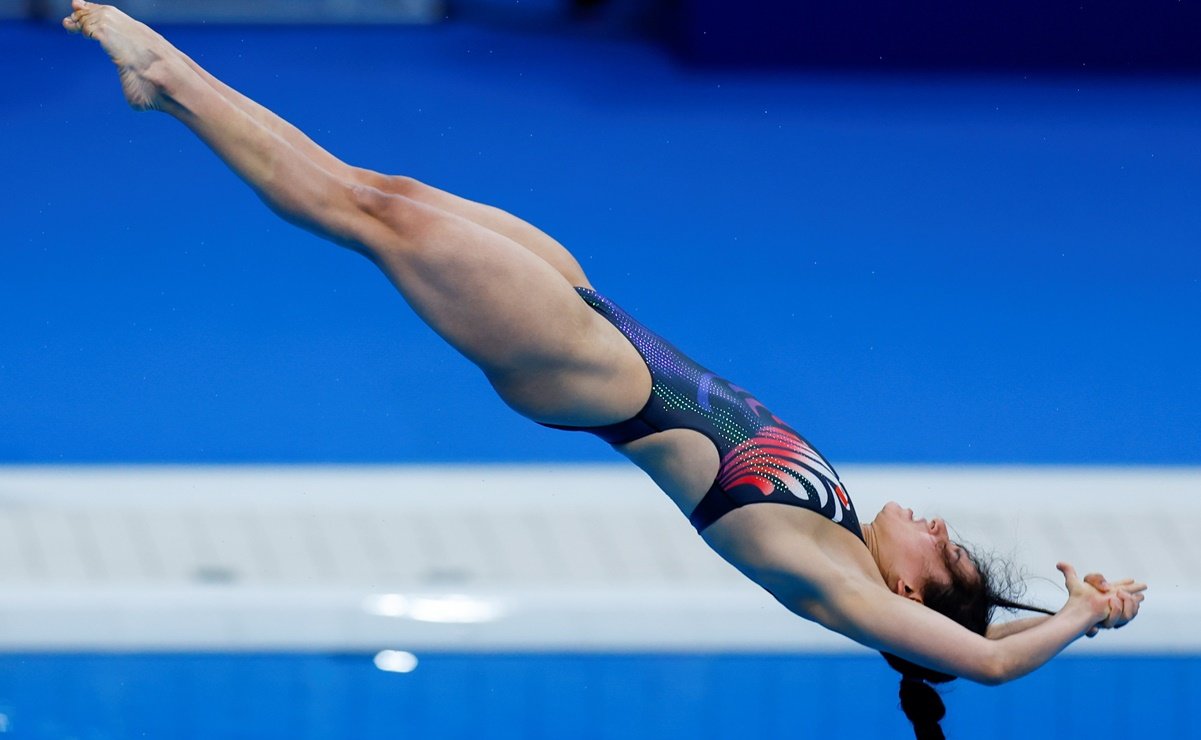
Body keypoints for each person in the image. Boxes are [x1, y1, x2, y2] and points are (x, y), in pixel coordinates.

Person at [62, 3, 1145, 737]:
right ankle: (172, 88)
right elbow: (976, 641)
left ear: (907, 588)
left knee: (367, 216)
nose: (935, 520)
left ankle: (166, 79)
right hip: (591, 312)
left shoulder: (841, 585)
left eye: (942, 544)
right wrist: (1048, 608)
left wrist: (1079, 618)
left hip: (576, 365)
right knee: (375, 187)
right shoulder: (847, 529)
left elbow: (986, 663)